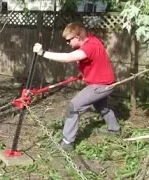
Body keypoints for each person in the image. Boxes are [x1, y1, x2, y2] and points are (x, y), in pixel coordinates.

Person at [33, 22, 121, 151]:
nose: (67, 43)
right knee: (100, 105)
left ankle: (67, 143)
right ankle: (114, 129)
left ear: (78, 37)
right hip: (106, 82)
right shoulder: (90, 39)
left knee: (73, 106)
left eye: (69, 40)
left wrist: (42, 53)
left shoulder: (89, 47)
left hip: (100, 85)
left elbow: (68, 58)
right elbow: (93, 60)